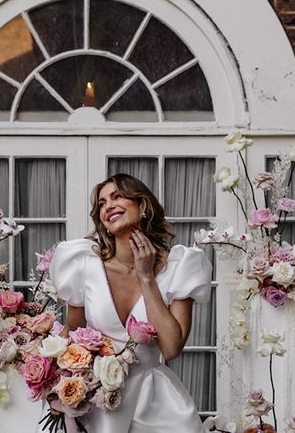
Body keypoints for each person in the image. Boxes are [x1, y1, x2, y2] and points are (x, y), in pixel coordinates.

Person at [47, 173, 213, 432]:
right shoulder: (84, 265)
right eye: (102, 203)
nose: (108, 206)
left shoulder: (179, 266)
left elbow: (171, 349)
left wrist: (147, 277)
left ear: (142, 205)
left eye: (117, 197)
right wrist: (50, 380)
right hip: (95, 405)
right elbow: (72, 336)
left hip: (154, 406)